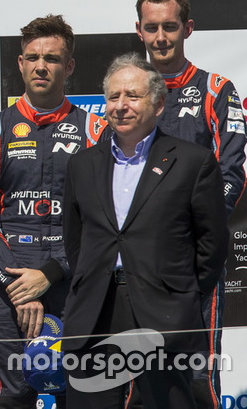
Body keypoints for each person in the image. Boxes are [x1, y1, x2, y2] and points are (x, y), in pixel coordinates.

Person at [62, 54, 228, 408]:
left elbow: (211, 247)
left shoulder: (193, 162)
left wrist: (178, 291)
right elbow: (76, 243)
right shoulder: (81, 165)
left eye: (132, 96)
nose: (120, 106)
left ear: (158, 104)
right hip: (96, 311)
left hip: (163, 312)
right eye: (113, 96)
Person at [0, 15, 107, 408]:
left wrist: (51, 273)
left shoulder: (96, 130)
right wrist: (19, 287)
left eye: (52, 58)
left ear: (70, 66)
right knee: (15, 395)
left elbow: (105, 221)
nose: (41, 66)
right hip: (10, 280)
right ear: (20, 63)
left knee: (81, 392)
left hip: (73, 278)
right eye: (33, 57)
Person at [136, 0, 246, 408]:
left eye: (169, 26)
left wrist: (197, 235)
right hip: (139, 262)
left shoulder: (217, 90)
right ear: (139, 31)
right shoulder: (128, 95)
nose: (161, 37)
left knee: (199, 377)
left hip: (196, 257)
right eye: (152, 28)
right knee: (139, 380)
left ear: (188, 28)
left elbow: (232, 171)